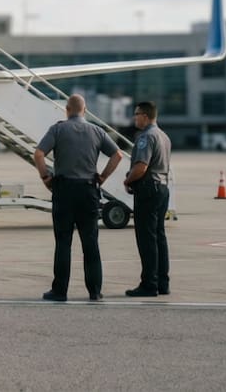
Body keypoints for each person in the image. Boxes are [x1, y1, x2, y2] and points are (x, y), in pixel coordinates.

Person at [33, 94, 124, 302]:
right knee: (90, 242)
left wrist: (45, 176)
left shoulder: (57, 129)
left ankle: (60, 291)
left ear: (67, 109)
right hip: (88, 190)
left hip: (64, 190)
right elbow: (117, 155)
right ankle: (95, 291)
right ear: (85, 110)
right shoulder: (97, 131)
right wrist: (103, 177)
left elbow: (38, 153)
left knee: (63, 242)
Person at [123, 101, 171, 297]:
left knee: (146, 238)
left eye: (136, 114)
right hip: (162, 187)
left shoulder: (146, 137)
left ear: (145, 116)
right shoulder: (164, 136)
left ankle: (149, 284)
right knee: (159, 236)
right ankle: (162, 282)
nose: (135, 117)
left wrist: (128, 180)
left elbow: (141, 166)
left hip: (148, 189)